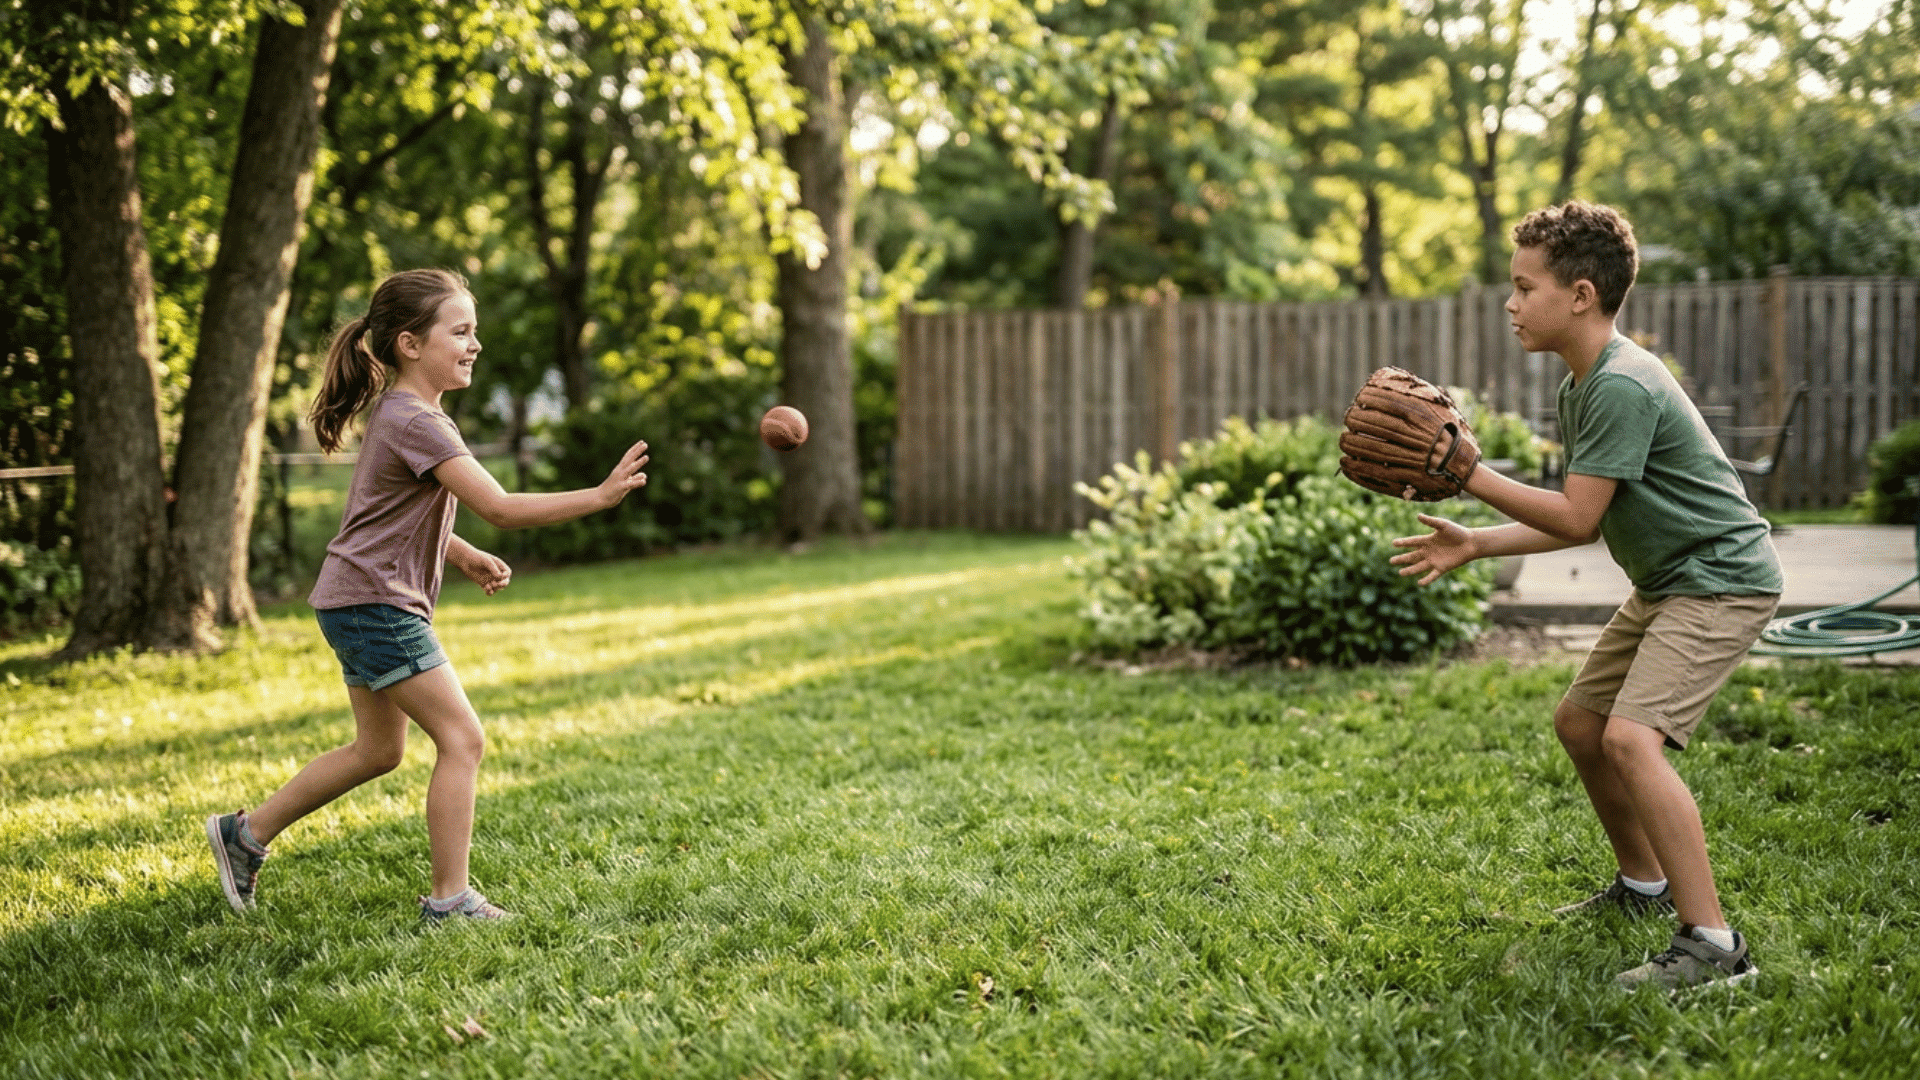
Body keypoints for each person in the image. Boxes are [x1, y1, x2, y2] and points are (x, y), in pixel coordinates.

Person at [1389, 202, 1782, 990]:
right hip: (1669, 582)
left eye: (1523, 286)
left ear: (1578, 294)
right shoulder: (1586, 384)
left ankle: (1713, 944)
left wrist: (1469, 474)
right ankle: (1644, 886)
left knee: (1632, 742)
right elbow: (1585, 522)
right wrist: (1476, 541)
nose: (1510, 302)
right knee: (1581, 723)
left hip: (1719, 580)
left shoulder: (1622, 385)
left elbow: (1575, 515)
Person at [206, 268, 649, 922]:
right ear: (411, 344)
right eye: (460, 331)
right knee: (463, 739)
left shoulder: (405, 414)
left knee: (378, 751)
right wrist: (600, 496)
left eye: (476, 331)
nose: (474, 344)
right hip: (375, 604)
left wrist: (462, 553)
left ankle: (245, 836)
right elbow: (498, 505)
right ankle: (451, 901)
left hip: (356, 598)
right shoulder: (419, 421)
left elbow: (387, 515)